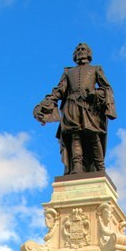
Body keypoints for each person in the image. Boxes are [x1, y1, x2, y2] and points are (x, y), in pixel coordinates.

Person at [33, 43, 116, 175]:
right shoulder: (68, 72)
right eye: (78, 50)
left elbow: (107, 88)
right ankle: (77, 166)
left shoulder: (96, 69)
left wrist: (95, 93)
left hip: (89, 107)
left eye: (83, 49)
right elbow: (59, 90)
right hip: (72, 106)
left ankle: (100, 166)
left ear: (89, 53)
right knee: (75, 136)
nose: (80, 51)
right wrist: (46, 103)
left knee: (93, 135)